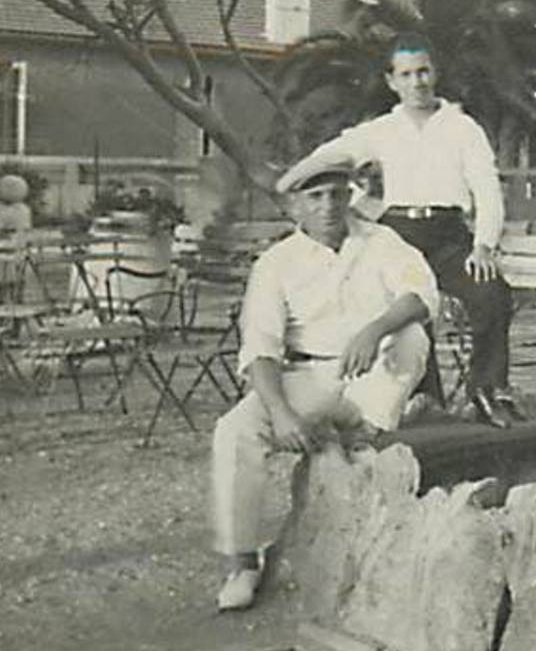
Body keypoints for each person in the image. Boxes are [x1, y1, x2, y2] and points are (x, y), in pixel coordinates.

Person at [208, 159, 439, 612]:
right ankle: (241, 563)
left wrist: (374, 330)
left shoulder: (381, 241)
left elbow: (421, 293)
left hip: (373, 374)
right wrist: (281, 413)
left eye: (337, 194)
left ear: (350, 194)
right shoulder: (276, 263)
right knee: (234, 432)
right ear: (296, 205)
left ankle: (370, 432)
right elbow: (260, 349)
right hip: (308, 375)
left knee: (410, 334)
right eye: (315, 197)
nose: (329, 206)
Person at [283, 33, 518, 427]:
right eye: (406, 74)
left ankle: (488, 391)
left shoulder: (462, 127)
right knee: (403, 306)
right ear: (392, 81)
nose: (417, 82)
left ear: (435, 73)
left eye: (424, 71)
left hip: (449, 236)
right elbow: (330, 157)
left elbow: (487, 188)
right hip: (396, 235)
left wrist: (484, 246)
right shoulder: (381, 129)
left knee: (492, 293)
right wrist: (289, 182)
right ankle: (422, 400)